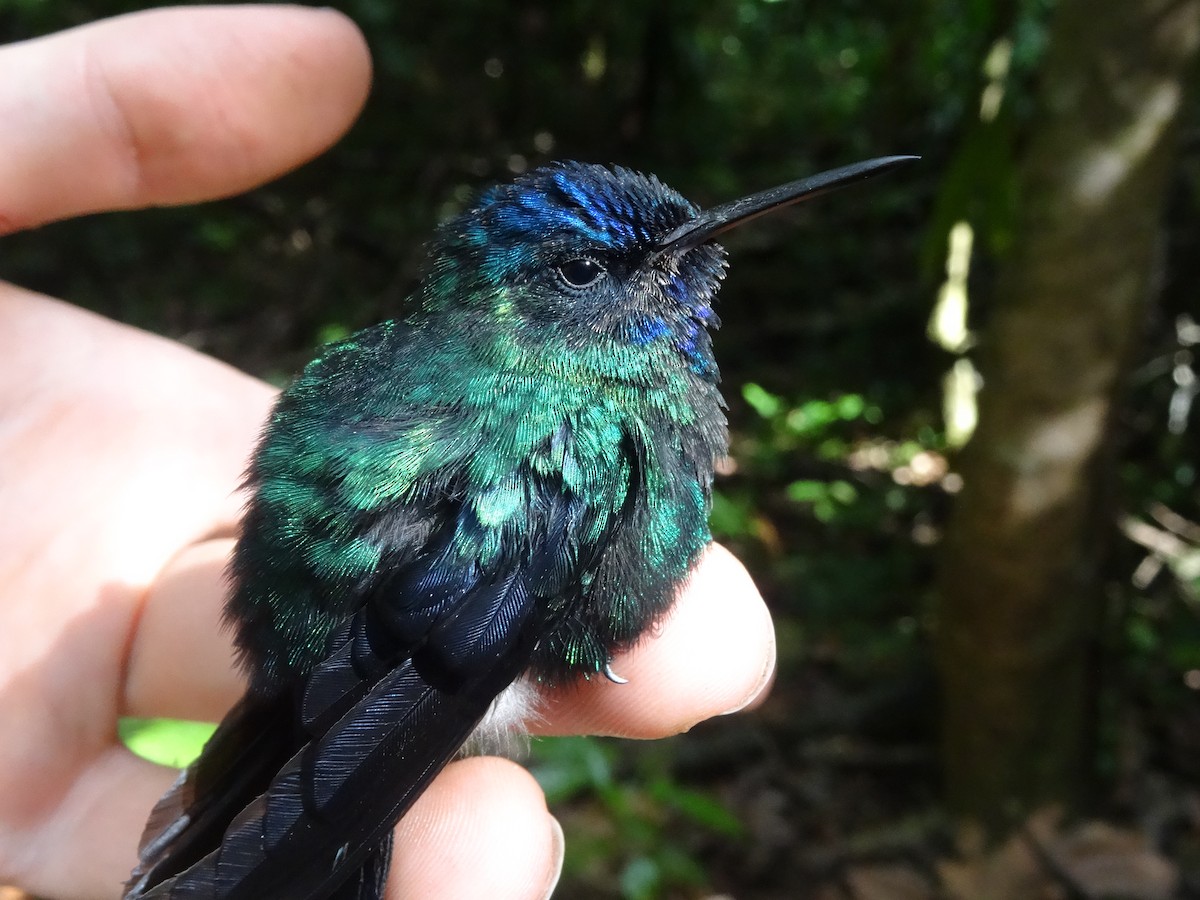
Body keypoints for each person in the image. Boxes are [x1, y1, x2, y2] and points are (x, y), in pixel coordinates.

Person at [0, 6, 776, 899]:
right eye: (584, 271)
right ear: (514, 303)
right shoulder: (572, 418)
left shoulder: (555, 391)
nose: (653, 272)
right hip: (389, 641)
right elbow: (459, 629)